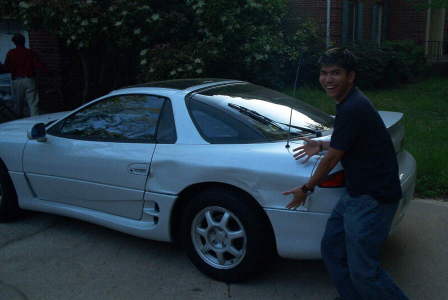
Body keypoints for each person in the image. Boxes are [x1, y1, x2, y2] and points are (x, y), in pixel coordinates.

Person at [283, 48, 408, 300]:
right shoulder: (349, 104)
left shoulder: (353, 107)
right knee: (332, 249)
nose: (328, 79)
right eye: (324, 73)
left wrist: (306, 188)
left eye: (335, 73)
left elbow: (332, 160)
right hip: (357, 194)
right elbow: (346, 141)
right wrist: (320, 143)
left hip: (371, 198)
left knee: (364, 270)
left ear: (351, 76)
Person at [4, 33, 47, 117]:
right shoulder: (30, 52)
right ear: (24, 41)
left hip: (17, 80)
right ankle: (35, 122)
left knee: (18, 105)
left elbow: (7, 67)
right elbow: (38, 65)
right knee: (33, 104)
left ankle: (19, 122)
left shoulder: (11, 53)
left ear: (14, 43)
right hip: (29, 79)